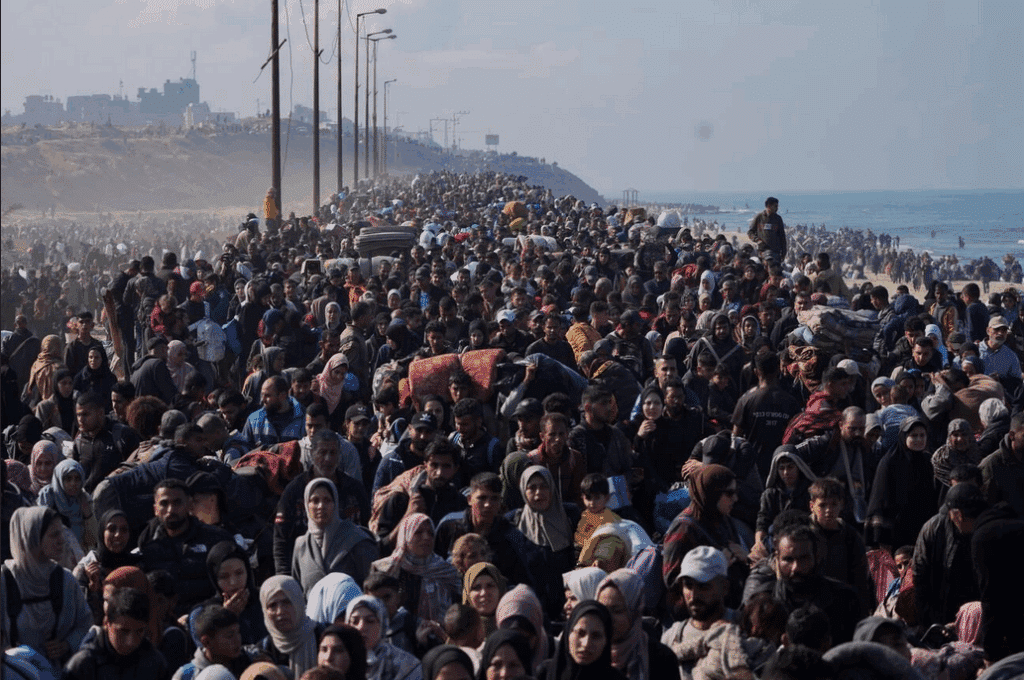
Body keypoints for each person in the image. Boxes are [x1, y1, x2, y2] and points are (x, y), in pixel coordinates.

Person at [1, 506, 92, 662]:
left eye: (62, 533)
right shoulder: (5, 581)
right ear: (33, 538)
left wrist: (67, 645)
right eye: (54, 535)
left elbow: (85, 623)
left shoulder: (65, 580)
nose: (62, 540)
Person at [138, 479, 234, 614]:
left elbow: (232, 585)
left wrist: (196, 615)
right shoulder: (147, 544)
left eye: (177, 503)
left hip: (210, 616)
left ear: (190, 505)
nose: (170, 510)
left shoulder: (217, 539)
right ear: (155, 509)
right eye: (164, 503)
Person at [369, 513, 461, 625]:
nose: (426, 537)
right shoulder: (384, 569)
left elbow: (458, 609)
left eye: (430, 533)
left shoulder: (446, 571)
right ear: (405, 535)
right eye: (418, 532)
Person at [292, 477, 379, 595]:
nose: (321, 506)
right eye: (315, 500)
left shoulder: (357, 539)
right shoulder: (301, 546)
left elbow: (373, 589)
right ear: (307, 505)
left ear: (336, 503)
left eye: (327, 500)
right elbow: (298, 594)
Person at [63, 586, 169, 680]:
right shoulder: (83, 665)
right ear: (107, 623)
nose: (131, 641)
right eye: (123, 631)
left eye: (139, 631)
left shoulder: (155, 664)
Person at [866, 417, 940, 549]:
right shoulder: (890, 462)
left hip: (922, 532)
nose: (919, 439)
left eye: (922, 435)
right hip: (896, 534)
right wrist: (880, 537)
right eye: (914, 436)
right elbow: (880, 501)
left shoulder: (928, 461)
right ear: (903, 436)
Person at [595, 568, 677, 680]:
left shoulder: (660, 658)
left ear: (635, 611)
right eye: (603, 609)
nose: (608, 618)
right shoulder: (588, 651)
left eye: (617, 611)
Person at [537, 600, 624, 680]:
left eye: (596, 636)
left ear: (606, 641)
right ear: (568, 633)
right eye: (580, 633)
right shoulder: (545, 673)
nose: (586, 644)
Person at [257, 575, 322, 677]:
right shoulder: (263, 650)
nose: (280, 611)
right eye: (272, 605)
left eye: (287, 602)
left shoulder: (323, 637)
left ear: (298, 602)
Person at [345, 594, 422, 680]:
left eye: (370, 621)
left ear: (382, 626)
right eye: (354, 621)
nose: (361, 627)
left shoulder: (407, 666)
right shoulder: (339, 660)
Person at [36, 457, 96, 552]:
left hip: (79, 553)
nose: (73, 483)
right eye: (68, 479)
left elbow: (93, 539)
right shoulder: (48, 495)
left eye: (77, 479)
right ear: (59, 478)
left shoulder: (83, 498)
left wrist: (87, 513)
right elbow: (40, 531)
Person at [242, 375, 306, 450]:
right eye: (262, 395)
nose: (262, 400)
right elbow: (244, 449)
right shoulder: (254, 420)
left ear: (283, 395)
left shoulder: (303, 419)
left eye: (267, 396)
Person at [463, 562, 507, 637]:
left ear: (500, 590)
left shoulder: (513, 626)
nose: (484, 593)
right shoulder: (461, 632)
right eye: (477, 587)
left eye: (490, 586)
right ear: (468, 595)